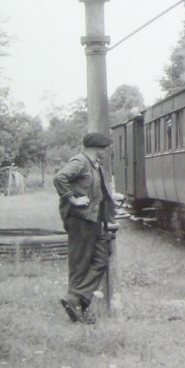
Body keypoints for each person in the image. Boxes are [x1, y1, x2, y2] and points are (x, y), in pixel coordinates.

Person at [53, 132, 115, 323]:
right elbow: (59, 178)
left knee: (100, 260)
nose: (106, 151)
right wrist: (73, 199)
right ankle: (79, 308)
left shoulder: (95, 165)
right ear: (96, 148)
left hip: (94, 220)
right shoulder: (80, 162)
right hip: (80, 220)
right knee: (80, 264)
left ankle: (76, 298)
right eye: (104, 148)